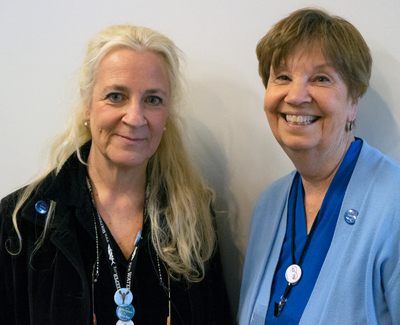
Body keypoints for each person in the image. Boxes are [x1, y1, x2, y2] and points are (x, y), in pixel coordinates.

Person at [0, 24, 232, 325]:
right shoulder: (21, 222)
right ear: (87, 104)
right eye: (115, 96)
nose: (135, 117)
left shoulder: (192, 218)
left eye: (153, 99)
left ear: (167, 113)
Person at [238, 8, 400, 325]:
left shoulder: (394, 202)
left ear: (354, 101)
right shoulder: (269, 204)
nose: (296, 96)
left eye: (321, 79)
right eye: (282, 77)